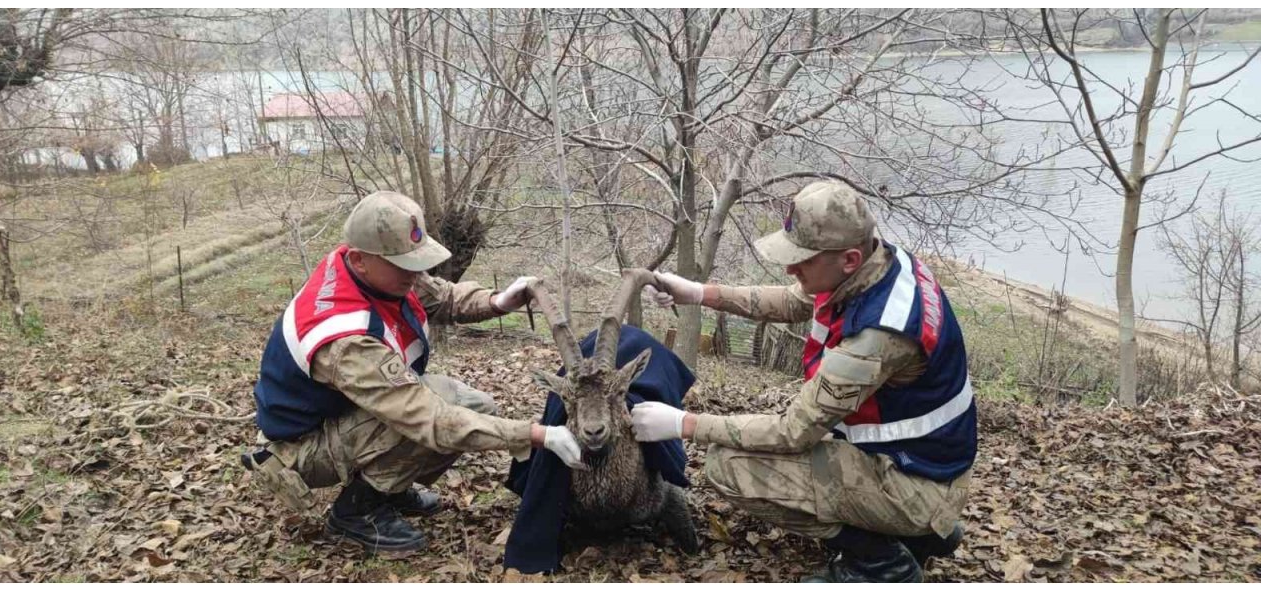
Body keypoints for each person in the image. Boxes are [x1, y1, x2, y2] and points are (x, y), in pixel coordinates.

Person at [632, 180, 977, 582]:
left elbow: (794, 431)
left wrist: (682, 424)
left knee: (728, 465)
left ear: (848, 259)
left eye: (802, 260)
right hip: (922, 462)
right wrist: (699, 293)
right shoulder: (880, 264)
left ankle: (881, 561)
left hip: (916, 482)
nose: (790, 268)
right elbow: (796, 299)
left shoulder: (877, 335)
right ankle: (921, 534)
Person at [244, 191, 586, 553]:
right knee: (447, 407)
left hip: (340, 418)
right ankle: (357, 511)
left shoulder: (373, 271)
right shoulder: (346, 341)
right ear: (360, 260)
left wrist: (498, 301)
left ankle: (391, 485)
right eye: (403, 264)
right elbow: (430, 420)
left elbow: (442, 296)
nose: (415, 273)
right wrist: (536, 435)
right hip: (301, 448)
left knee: (475, 405)